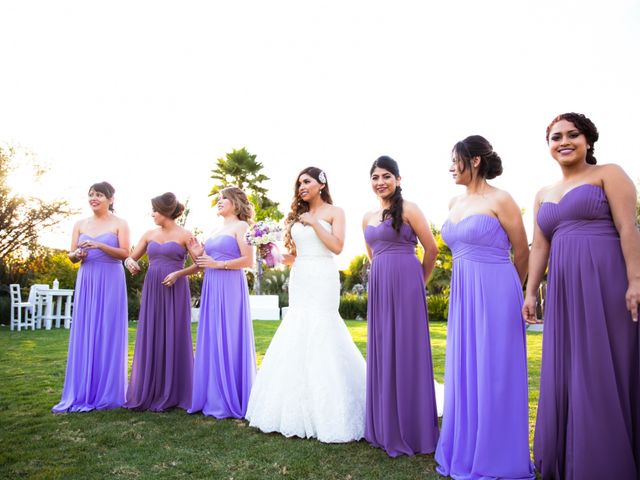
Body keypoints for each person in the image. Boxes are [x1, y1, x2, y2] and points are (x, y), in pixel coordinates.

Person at [522, 113, 640, 480]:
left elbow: (628, 227)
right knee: (569, 369)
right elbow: (540, 246)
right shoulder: (543, 194)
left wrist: (636, 280)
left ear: (588, 140)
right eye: (556, 137)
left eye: (573, 134)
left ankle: (608, 459)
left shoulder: (609, 174)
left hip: (607, 283)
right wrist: (530, 292)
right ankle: (573, 455)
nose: (564, 141)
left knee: (606, 365)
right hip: (564, 290)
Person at [435, 136, 534, 479]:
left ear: (474, 160)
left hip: (496, 292)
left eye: (455, 160)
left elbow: (522, 252)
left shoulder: (501, 199)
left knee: (495, 371)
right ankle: (467, 446)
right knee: (466, 369)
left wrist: (509, 291)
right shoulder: (453, 202)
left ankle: (497, 453)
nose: (450, 167)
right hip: (463, 295)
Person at [246, 167, 366, 443]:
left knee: (323, 329)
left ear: (321, 184)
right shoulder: (297, 217)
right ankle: (292, 406)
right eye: (299, 182)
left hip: (323, 276)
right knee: (298, 328)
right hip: (301, 276)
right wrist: (273, 255)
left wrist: (312, 222)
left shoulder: (335, 212)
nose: (301, 186)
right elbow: (298, 256)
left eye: (307, 181)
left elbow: (337, 247)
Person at [363, 156, 439, 456]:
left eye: (386, 176)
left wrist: (419, 281)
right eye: (375, 177)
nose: (380, 182)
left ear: (398, 179)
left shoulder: (410, 209)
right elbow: (373, 254)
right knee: (383, 348)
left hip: (408, 282)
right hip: (381, 285)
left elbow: (431, 248)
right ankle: (384, 423)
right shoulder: (367, 216)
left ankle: (413, 425)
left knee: (408, 348)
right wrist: (382, 279)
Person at [53, 181, 129, 412]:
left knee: (108, 330)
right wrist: (77, 253)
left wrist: (98, 245)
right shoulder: (79, 223)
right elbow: (72, 257)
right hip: (87, 279)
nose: (93, 198)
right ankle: (82, 389)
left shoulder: (120, 224)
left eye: (99, 195)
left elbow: (125, 254)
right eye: (91, 195)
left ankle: (107, 391)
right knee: (86, 330)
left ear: (111, 199)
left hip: (111, 279)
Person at [188, 186, 256, 419]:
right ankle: (212, 393)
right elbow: (202, 261)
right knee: (212, 335)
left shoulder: (242, 226)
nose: (219, 202)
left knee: (228, 334)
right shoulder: (216, 229)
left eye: (223, 198)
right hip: (211, 285)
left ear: (235, 203)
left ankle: (230, 395)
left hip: (230, 285)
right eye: (217, 198)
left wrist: (219, 265)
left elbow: (248, 260)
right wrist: (197, 252)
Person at [123, 192, 195, 412]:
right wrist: (130, 264)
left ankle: (174, 390)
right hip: (153, 288)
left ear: (164, 211)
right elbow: (130, 257)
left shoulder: (185, 235)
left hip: (175, 288)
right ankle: (150, 389)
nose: (152, 214)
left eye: (154, 210)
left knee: (174, 333)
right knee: (152, 333)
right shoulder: (149, 234)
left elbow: (200, 264)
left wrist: (178, 274)